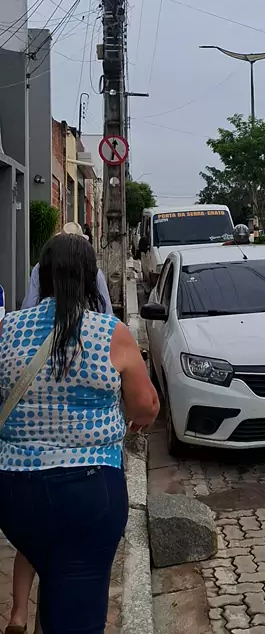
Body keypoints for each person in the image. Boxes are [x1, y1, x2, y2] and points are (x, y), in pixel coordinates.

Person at [0, 234, 159, 634]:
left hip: (15, 493)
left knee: (51, 576)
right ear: (91, 278)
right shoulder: (110, 332)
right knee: (78, 612)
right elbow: (146, 406)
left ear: (42, 276)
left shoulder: (7, 329)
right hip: (87, 494)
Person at [22, 222, 113, 315]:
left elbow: (30, 304)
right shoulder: (92, 269)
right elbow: (106, 309)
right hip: (85, 321)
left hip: (43, 319)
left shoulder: (41, 266)